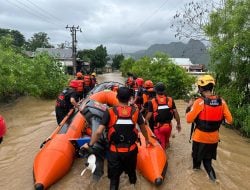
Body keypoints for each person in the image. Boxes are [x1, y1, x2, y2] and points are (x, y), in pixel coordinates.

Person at [81, 87, 151, 190]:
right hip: (131, 151)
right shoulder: (136, 112)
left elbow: (99, 132)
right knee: (132, 174)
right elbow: (143, 129)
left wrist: (90, 144)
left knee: (114, 180)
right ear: (130, 98)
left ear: (117, 97)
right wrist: (147, 139)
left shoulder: (109, 112)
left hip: (114, 153)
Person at [186, 75, 233, 181]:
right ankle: (214, 181)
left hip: (199, 138)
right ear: (212, 87)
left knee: (196, 164)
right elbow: (229, 120)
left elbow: (188, 120)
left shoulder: (198, 102)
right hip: (214, 139)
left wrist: (189, 106)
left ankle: (196, 181)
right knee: (208, 163)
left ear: (201, 88)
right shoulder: (222, 101)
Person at [145, 82, 181, 149]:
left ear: (155, 91)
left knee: (161, 147)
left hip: (158, 128)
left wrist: (145, 122)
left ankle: (164, 158)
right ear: (164, 90)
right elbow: (175, 112)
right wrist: (178, 124)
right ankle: (167, 147)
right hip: (169, 127)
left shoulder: (152, 101)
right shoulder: (170, 99)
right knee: (166, 142)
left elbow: (149, 116)